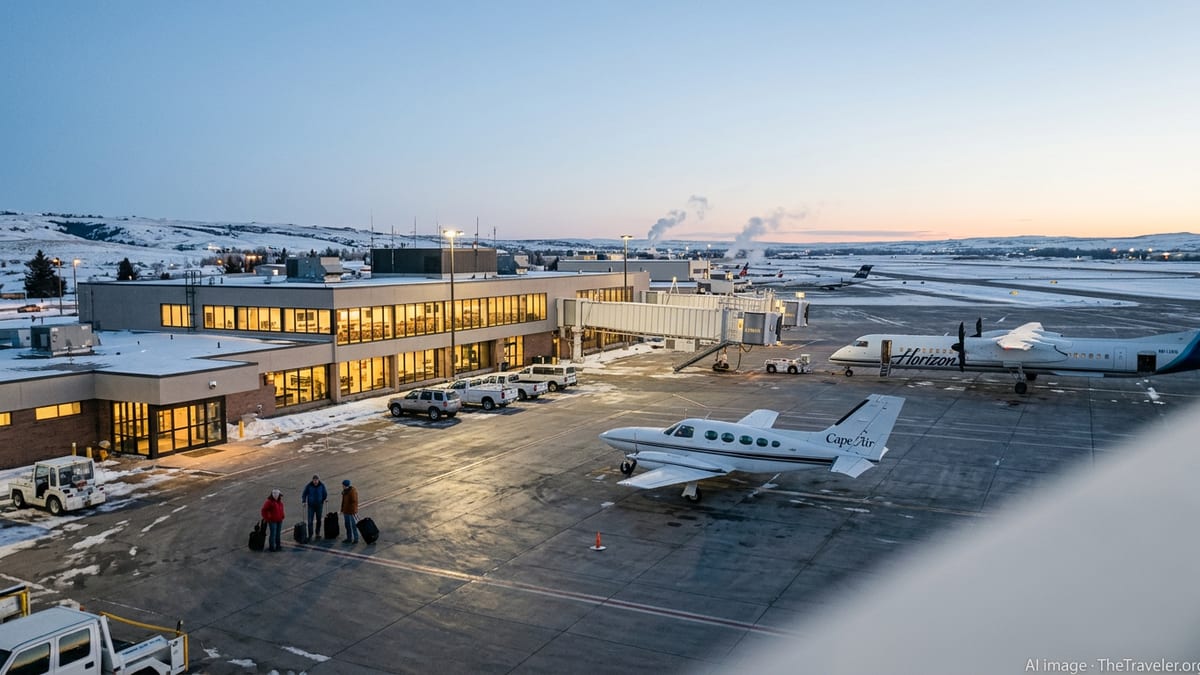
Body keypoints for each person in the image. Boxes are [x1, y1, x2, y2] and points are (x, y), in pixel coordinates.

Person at [301, 475, 328, 541]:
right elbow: (304, 494)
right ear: (312, 480)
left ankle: (317, 533)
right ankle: (310, 534)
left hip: (319, 505)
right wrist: (304, 501)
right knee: (310, 520)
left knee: (319, 520)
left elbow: (325, 493)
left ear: (318, 480)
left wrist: (324, 499)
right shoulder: (309, 486)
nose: (315, 481)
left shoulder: (322, 485)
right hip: (311, 506)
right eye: (314, 480)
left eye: (316, 480)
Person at [340, 479, 359, 544]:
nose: (342, 486)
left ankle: (356, 539)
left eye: (343, 485)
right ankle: (349, 538)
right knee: (347, 525)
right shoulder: (345, 491)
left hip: (352, 512)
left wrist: (353, 510)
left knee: (353, 525)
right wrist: (342, 509)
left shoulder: (352, 491)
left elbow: (354, 501)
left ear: (346, 485)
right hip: (346, 511)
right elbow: (343, 501)